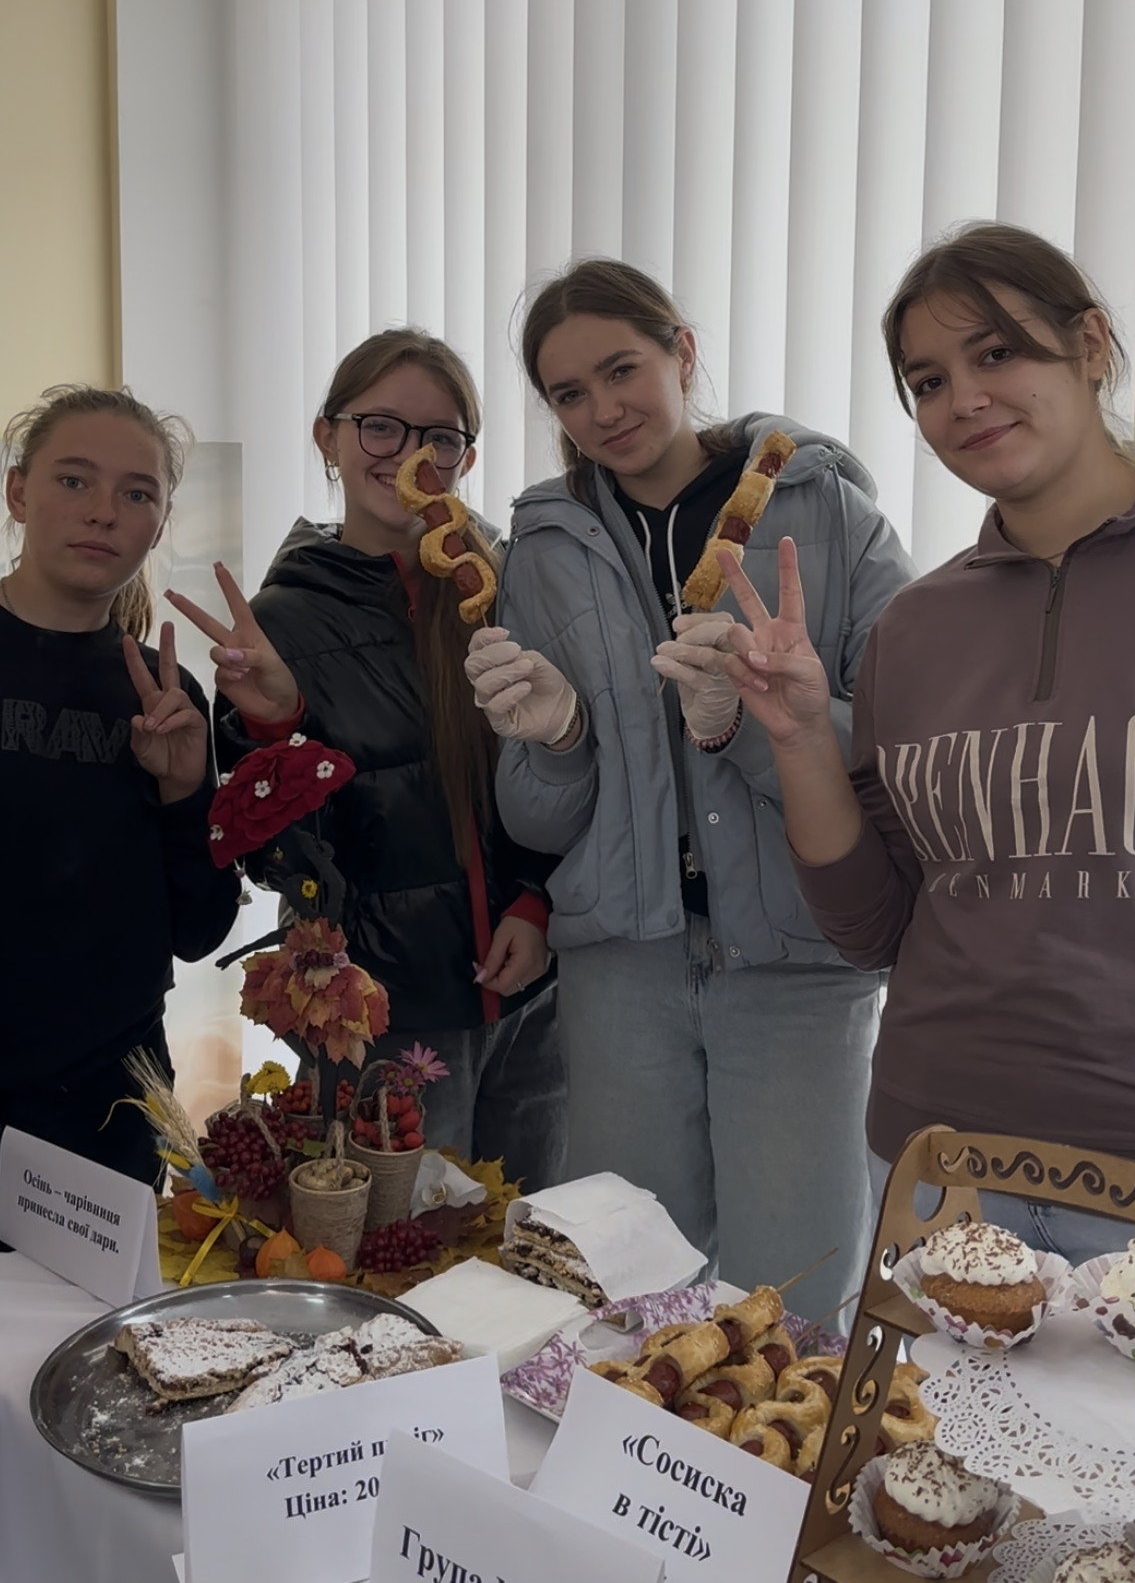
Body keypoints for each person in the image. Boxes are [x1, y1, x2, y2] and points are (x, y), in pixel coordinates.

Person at [463, 258, 914, 1319]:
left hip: (794, 961)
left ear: (683, 353)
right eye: (569, 393)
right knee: (624, 1292)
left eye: (622, 370)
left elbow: (898, 763)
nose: (602, 411)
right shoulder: (542, 546)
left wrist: (755, 726)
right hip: (620, 965)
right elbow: (538, 818)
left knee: (790, 1299)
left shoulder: (826, 512)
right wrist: (559, 738)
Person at [717, 221, 1135, 1262]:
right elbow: (874, 927)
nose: (961, 398)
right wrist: (799, 735)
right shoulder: (914, 629)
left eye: (995, 352)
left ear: (1090, 344)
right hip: (938, 1164)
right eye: (926, 380)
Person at [168, 330, 565, 1190]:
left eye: (440, 437)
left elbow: (558, 768)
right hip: (383, 1013)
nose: (409, 456)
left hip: (535, 988)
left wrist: (536, 901)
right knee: (407, 1244)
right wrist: (275, 724)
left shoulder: (503, 590)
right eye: (380, 426)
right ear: (328, 437)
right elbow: (271, 857)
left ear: (465, 457)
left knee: (532, 1237)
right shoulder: (281, 620)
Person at [0, 386, 240, 1185]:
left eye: (137, 494)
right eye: (73, 480)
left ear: (158, 525)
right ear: (18, 493)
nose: (103, 512)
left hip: (108, 1112)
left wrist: (185, 795)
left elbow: (200, 931)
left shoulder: (167, 700)